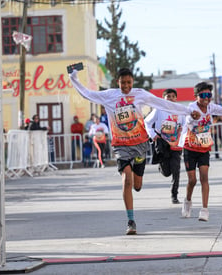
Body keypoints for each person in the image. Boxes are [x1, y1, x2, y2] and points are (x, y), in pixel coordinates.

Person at [69, 67, 198, 235]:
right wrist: (74, 78)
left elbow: (163, 103)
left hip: (140, 143)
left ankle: (139, 166)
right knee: (126, 180)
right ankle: (131, 221)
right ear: (118, 82)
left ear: (133, 82)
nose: (126, 86)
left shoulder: (140, 94)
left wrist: (188, 111)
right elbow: (88, 94)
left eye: (129, 82)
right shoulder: (109, 95)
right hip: (121, 145)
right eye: (123, 83)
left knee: (137, 185)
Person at [180, 81, 222, 222]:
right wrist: (192, 118)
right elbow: (188, 118)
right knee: (192, 180)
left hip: (204, 147)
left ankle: (204, 209)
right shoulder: (191, 107)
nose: (206, 98)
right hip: (190, 147)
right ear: (196, 96)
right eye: (203, 95)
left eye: (209, 95)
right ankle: (187, 201)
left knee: (204, 177)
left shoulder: (211, 107)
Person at [144, 88, 185, 204]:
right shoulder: (158, 110)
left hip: (175, 143)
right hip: (162, 142)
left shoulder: (180, 110)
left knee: (176, 169)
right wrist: (153, 135)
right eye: (168, 96)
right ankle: (161, 167)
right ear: (164, 98)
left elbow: (184, 124)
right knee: (167, 172)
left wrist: (182, 130)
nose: (170, 98)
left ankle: (174, 195)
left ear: (176, 98)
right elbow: (147, 122)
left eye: (173, 96)